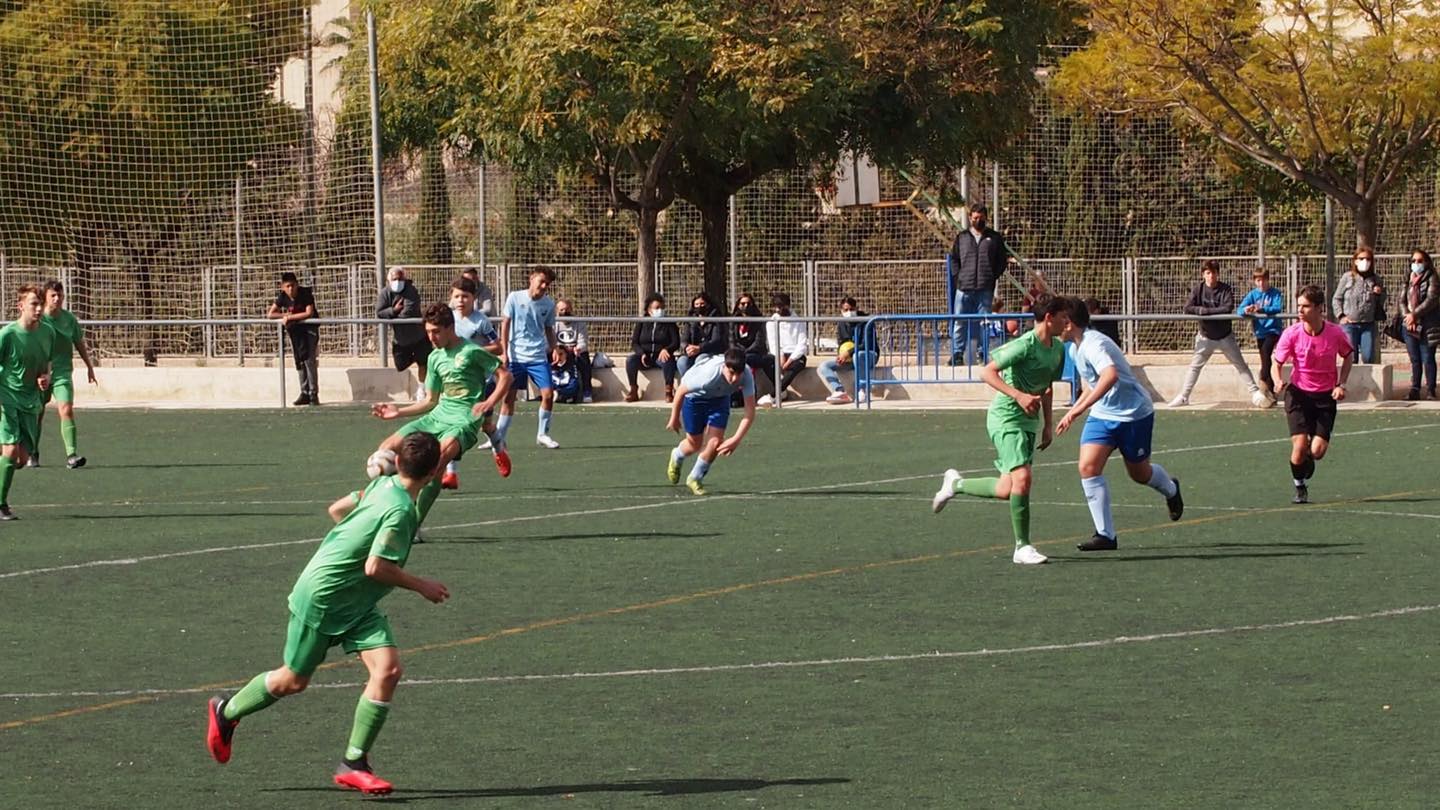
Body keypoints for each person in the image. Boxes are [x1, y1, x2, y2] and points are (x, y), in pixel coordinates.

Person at [204, 431, 450, 796]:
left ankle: (354, 763)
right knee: (292, 681)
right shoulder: (399, 512)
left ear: (398, 463)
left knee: (389, 670)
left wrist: (349, 542)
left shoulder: (382, 487)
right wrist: (422, 585)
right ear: (433, 474)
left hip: (358, 604)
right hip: (324, 598)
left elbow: (337, 510)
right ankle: (226, 711)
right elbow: (375, 567)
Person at [930, 294, 1070, 565]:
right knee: (1023, 479)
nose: (1068, 321)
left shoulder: (1058, 349)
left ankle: (955, 484)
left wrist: (1048, 424)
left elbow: (1047, 387)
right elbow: (987, 372)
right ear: (1049, 317)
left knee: (1008, 487)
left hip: (1029, 422)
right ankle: (1022, 547)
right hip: (1006, 418)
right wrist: (1017, 396)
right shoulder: (1024, 345)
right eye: (1064, 316)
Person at [1055, 297, 1184, 551]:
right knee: (1088, 466)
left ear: (1068, 323)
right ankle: (1105, 535)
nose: (1054, 324)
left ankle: (1170, 488)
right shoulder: (1074, 348)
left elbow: (1110, 375)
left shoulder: (1094, 343)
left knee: (1139, 473)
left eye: (1058, 318)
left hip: (1134, 414)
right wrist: (1076, 410)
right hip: (1103, 415)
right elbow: (1093, 384)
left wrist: (1077, 410)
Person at [371, 304, 511, 530]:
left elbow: (505, 376)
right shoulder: (434, 357)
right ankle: (384, 509)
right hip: (437, 416)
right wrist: (398, 411)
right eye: (427, 332)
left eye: (436, 331)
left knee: (435, 465)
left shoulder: (472, 351)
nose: (431, 337)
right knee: (386, 449)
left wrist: (488, 402)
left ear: (450, 328)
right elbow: (430, 401)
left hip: (464, 420)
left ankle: (412, 524)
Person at [1273, 285, 1353, 504]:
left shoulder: (1335, 333)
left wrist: (1341, 384)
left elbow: (1348, 356)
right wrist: (1278, 380)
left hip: (1325, 397)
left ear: (1319, 308)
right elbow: (1276, 362)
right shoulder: (1292, 333)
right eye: (1298, 305)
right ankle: (1299, 487)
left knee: (1316, 451)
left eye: (1306, 306)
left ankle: (1308, 458)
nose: (1300, 310)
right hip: (1298, 395)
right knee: (1299, 447)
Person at [440, 277, 508, 490]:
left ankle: (499, 450)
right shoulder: (447, 319)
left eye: (465, 297)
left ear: (474, 299)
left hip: (480, 383)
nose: (461, 300)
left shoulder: (481, 322)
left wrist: (473, 352)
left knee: (486, 426)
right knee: (455, 425)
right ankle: (451, 475)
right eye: (457, 296)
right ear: (451, 296)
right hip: (454, 382)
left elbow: (498, 347)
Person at [1169, 260, 1266, 408]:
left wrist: (1205, 311)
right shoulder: (1198, 289)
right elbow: (1188, 307)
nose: (1211, 276)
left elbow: (1227, 308)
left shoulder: (1225, 289)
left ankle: (1254, 392)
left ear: (1218, 274)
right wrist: (1199, 311)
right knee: (1194, 367)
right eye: (1208, 273)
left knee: (1240, 365)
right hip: (1205, 336)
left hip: (1225, 336)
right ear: (1203, 275)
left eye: (1214, 272)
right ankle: (1184, 396)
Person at [665, 348, 758, 496]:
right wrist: (674, 418)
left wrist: (736, 439)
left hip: (720, 400)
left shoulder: (746, 375)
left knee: (715, 442)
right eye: (731, 373)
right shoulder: (708, 375)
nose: (734, 379)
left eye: (738, 374)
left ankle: (695, 478)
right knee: (694, 444)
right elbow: (681, 391)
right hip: (694, 399)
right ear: (724, 367)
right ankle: (677, 455)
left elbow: (750, 412)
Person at [0, 285, 52, 519]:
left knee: (20, 459)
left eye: (41, 303)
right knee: (10, 452)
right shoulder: (7, 334)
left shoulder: (47, 332)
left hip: (31, 401)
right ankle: (1, 504)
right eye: (34, 304)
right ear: (21, 306)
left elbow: (45, 364)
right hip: (7, 397)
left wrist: (45, 377)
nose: (39, 308)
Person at [497, 266, 563, 449]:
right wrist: (504, 351)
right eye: (541, 281)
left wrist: (555, 348)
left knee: (548, 395)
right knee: (509, 398)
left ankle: (542, 434)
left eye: (547, 284)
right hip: (516, 357)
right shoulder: (514, 297)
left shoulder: (549, 305)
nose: (543, 286)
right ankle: (498, 437)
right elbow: (505, 324)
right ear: (531, 278)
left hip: (537, 357)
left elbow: (549, 329)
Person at [37, 281, 97, 469]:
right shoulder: (38, 319)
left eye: (60, 295)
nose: (57, 299)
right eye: (53, 295)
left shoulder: (69, 319)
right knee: (36, 414)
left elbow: (79, 343)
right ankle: (32, 452)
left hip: (62, 373)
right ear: (45, 297)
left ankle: (71, 455)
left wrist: (89, 366)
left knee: (66, 409)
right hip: (39, 374)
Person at [948, 202, 1009, 366]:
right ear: (970, 218)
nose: (978, 221)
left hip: (985, 288)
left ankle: (983, 354)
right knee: (959, 322)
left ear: (986, 218)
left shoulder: (994, 238)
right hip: (964, 287)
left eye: (981, 218)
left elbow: (1002, 261)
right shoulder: (962, 237)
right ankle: (957, 354)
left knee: (985, 322)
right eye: (975, 218)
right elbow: (954, 259)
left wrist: (992, 277)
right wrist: (958, 277)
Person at [268, 272, 320, 407]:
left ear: (297, 285)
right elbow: (270, 314)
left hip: (309, 330)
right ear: (283, 287)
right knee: (299, 360)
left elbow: (309, 312)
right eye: (288, 286)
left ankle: (313, 394)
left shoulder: (305, 294)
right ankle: (304, 392)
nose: (291, 289)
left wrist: (290, 317)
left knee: (309, 360)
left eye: (293, 285)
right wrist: (285, 314)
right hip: (296, 332)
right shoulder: (283, 297)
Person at [376, 268, 429, 401]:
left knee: (423, 363)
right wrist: (394, 310)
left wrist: (392, 315)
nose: (398, 282)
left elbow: (409, 311)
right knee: (400, 365)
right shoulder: (385, 293)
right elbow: (379, 312)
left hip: (419, 336)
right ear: (389, 280)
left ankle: (422, 389)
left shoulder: (411, 290)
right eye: (394, 279)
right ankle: (415, 358)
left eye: (400, 279)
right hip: (400, 339)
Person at [1235, 268, 1285, 402]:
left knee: (1267, 353)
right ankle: (1271, 392)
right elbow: (1239, 310)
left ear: (1268, 280)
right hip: (1260, 331)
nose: (1261, 283)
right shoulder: (1252, 294)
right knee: (1265, 359)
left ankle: (1263, 380)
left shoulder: (1275, 293)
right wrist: (1246, 310)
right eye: (1258, 280)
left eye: (1263, 280)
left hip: (1273, 330)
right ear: (1255, 281)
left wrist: (1262, 309)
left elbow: (1277, 307)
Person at [1331, 247, 1387, 364]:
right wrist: (1341, 316)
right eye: (1361, 258)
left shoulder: (1376, 279)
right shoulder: (1348, 277)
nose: (1364, 262)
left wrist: (1379, 294)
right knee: (1351, 357)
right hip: (1349, 324)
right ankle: (1350, 381)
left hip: (1368, 324)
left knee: (1368, 357)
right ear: (1355, 261)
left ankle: (1367, 381)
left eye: (1368, 259)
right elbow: (1337, 298)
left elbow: (1382, 301)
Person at [818, 297, 876, 405]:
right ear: (841, 311)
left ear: (856, 308)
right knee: (823, 366)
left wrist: (849, 352)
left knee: (858, 355)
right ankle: (840, 391)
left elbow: (866, 344)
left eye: (851, 309)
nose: (849, 312)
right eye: (845, 310)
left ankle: (862, 390)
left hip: (868, 356)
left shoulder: (867, 321)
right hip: (850, 359)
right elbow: (841, 343)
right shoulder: (841, 323)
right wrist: (841, 356)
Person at [1399, 249, 1439, 400]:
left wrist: (1414, 315)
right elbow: (1401, 300)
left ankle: (1430, 389)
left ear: (1427, 262)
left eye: (1420, 261)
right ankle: (1414, 389)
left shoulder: (1432, 278)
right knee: (1414, 359)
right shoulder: (1408, 279)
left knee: (1427, 357)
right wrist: (1407, 317)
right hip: (1409, 325)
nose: (1416, 264)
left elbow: (1431, 300)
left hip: (1428, 324)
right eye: (1414, 261)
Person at [625, 293, 680, 402]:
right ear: (649, 310)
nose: (660, 310)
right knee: (630, 360)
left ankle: (669, 391)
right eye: (657, 308)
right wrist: (641, 353)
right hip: (645, 357)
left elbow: (676, 342)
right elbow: (634, 343)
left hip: (661, 357)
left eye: (662, 308)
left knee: (668, 360)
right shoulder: (642, 322)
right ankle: (633, 390)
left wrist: (666, 349)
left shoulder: (669, 323)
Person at [758, 292, 809, 405]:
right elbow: (773, 343)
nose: (777, 310)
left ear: (787, 305)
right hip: (779, 353)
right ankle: (782, 390)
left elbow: (802, 344)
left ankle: (773, 394)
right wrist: (780, 356)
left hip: (795, 355)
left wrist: (790, 360)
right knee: (766, 361)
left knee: (797, 365)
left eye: (780, 307)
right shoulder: (771, 322)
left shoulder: (799, 321)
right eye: (775, 307)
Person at [676, 291, 727, 378]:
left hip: (710, 352)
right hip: (692, 352)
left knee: (701, 360)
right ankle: (689, 386)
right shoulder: (690, 320)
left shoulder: (715, 319)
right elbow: (684, 339)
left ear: (708, 304)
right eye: (697, 304)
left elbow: (716, 340)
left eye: (702, 304)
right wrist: (687, 348)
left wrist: (700, 348)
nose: (699, 307)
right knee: (682, 361)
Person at [554, 298, 594, 403]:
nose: (564, 312)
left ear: (571, 309)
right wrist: (557, 350)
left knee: (584, 359)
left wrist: (579, 348)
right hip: (560, 352)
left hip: (575, 352)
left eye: (567, 309)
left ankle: (587, 391)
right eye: (561, 310)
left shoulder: (579, 322)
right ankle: (552, 390)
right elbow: (550, 341)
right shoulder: (554, 323)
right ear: (557, 311)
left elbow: (583, 340)